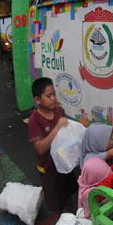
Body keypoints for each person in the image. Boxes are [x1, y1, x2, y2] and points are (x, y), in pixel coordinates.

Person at [27, 77, 78, 217]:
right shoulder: (34, 120)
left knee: (68, 194)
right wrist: (56, 128)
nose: (53, 98)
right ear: (38, 100)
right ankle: (59, 224)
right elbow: (40, 149)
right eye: (48, 96)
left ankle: (72, 217)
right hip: (49, 168)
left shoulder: (59, 111)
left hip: (64, 163)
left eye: (54, 94)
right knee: (56, 202)